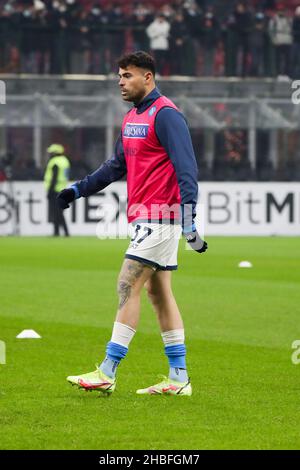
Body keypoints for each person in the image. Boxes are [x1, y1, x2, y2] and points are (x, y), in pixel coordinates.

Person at [57, 51, 207, 396]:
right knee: (158, 292)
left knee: (127, 284)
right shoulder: (131, 119)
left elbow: (187, 168)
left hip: (161, 215)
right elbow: (114, 167)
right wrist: (78, 189)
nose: (121, 82)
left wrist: (188, 218)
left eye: (127, 75)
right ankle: (179, 377)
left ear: (148, 77)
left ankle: (107, 371)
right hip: (146, 216)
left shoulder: (166, 115)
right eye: (119, 76)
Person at [44, 143, 70, 237]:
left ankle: (64, 232)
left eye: (51, 152)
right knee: (58, 212)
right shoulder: (65, 161)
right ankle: (57, 232)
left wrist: (50, 191)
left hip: (55, 190)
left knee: (57, 212)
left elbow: (54, 178)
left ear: (55, 153)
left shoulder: (55, 162)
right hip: (63, 189)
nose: (50, 154)